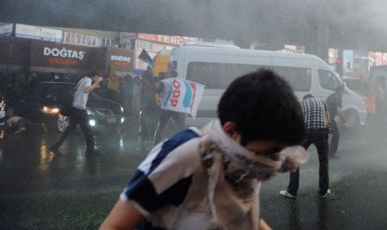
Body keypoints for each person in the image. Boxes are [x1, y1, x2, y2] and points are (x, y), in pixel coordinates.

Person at [99, 69, 308, 230]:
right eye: (271, 151)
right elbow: (114, 226)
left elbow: (244, 213)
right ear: (232, 131)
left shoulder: (246, 160)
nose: (275, 161)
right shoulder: (184, 155)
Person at [280, 94, 331, 199]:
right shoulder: (321, 100)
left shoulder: (300, 103)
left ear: (305, 99)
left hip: (305, 132)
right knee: (323, 161)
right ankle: (323, 191)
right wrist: (329, 127)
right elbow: (327, 115)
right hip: (321, 130)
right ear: (312, 97)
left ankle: (292, 191)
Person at [49, 70, 104, 155]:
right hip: (79, 109)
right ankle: (90, 150)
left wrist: (95, 85)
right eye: (97, 77)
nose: (97, 79)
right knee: (87, 130)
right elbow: (86, 90)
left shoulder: (83, 79)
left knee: (71, 129)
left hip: (76, 108)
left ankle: (55, 146)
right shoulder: (88, 80)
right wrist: (96, 84)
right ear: (94, 76)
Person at [153, 69, 186, 145]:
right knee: (181, 126)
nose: (166, 74)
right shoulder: (180, 82)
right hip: (176, 108)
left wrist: (157, 87)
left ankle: (156, 144)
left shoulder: (165, 82)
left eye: (168, 73)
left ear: (171, 74)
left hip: (166, 108)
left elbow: (156, 91)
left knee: (161, 127)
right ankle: (185, 142)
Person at [326, 85, 348, 158]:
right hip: (329, 118)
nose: (344, 93)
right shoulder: (338, 98)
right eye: (343, 91)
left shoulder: (331, 96)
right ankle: (331, 154)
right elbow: (339, 111)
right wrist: (345, 121)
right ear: (341, 91)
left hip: (323, 117)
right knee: (336, 134)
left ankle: (325, 153)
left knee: (324, 135)